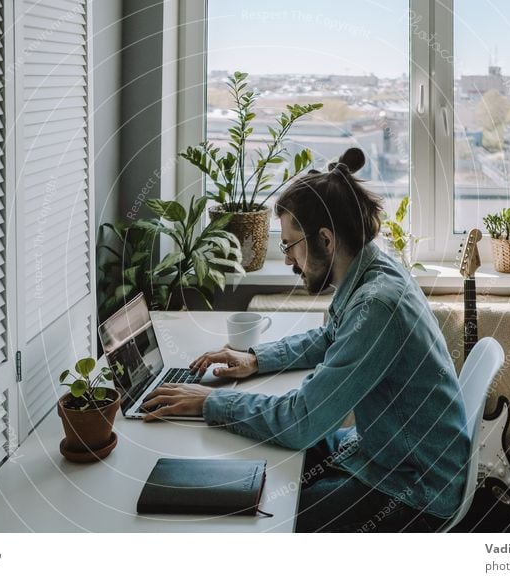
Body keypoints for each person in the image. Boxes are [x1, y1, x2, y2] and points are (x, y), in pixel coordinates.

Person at [141, 148, 470, 532]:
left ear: (326, 240)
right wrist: (255, 359)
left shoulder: (378, 304)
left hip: (414, 485)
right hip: (384, 449)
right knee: (261, 468)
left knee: (269, 523)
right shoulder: (373, 272)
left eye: (289, 245)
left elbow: (303, 421)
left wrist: (211, 401)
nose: (287, 261)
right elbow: (332, 336)